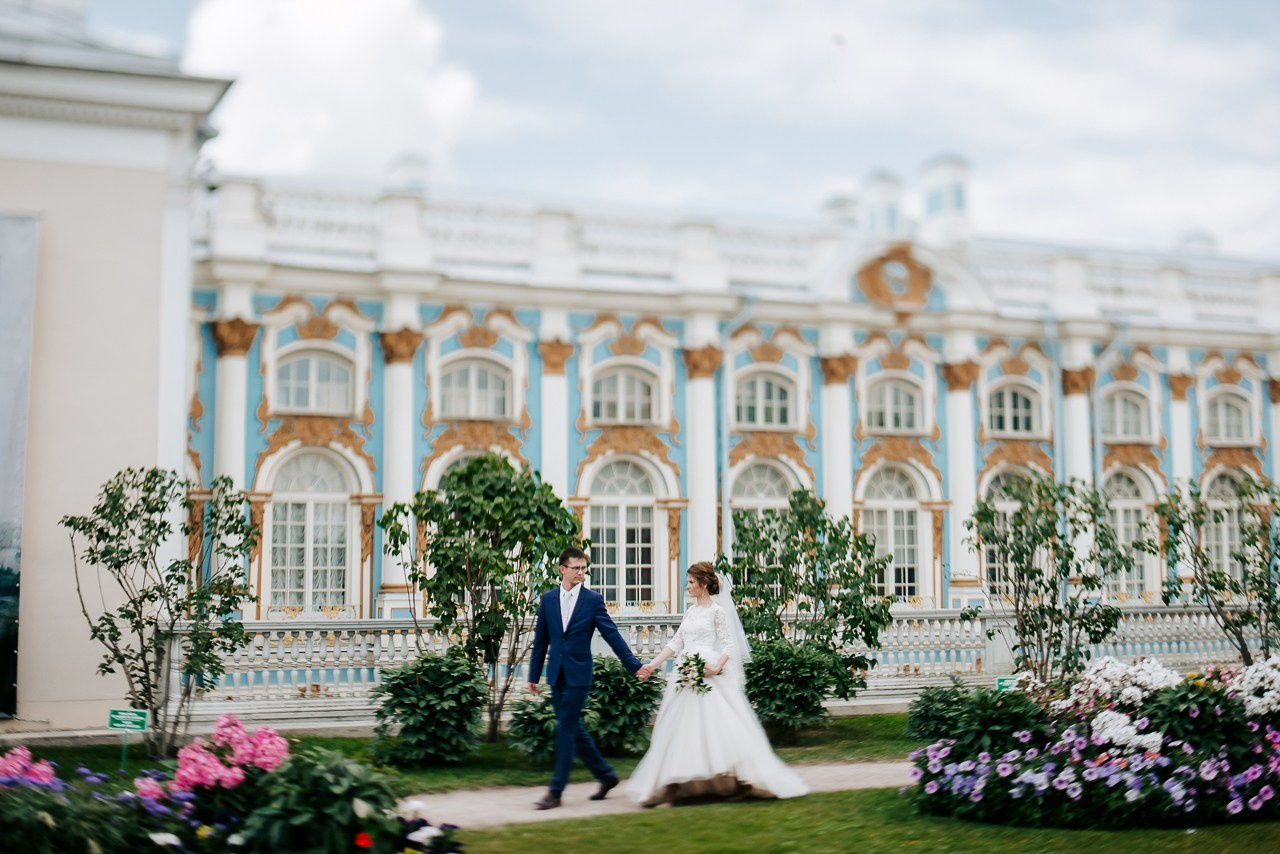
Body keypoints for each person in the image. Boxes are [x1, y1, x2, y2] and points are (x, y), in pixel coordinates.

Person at [626, 561, 808, 807]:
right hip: (685, 674)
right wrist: (651, 665)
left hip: (709, 673)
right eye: (688, 582)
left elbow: (729, 645)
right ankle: (675, 784)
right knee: (679, 729)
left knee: (717, 729)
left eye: (691, 582)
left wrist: (715, 667)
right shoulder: (690, 613)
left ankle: (734, 780)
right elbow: (676, 643)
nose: (687, 586)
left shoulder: (717, 612)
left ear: (703, 585)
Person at [527, 546, 647, 810]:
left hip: (579, 675)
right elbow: (541, 641)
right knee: (574, 730)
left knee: (565, 729)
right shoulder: (547, 600)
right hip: (556, 673)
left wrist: (633, 665)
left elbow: (612, 634)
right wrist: (533, 674)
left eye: (584, 568)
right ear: (563, 569)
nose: (581, 572)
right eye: (576, 568)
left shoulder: (593, 600)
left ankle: (555, 792)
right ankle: (607, 776)